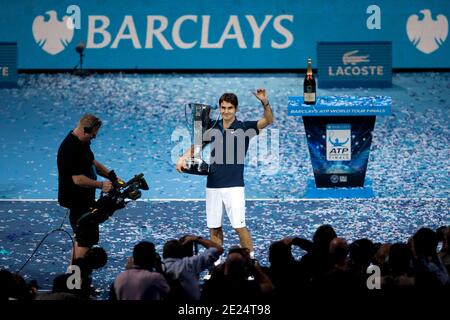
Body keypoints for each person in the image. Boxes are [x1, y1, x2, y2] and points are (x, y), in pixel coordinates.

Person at [176, 90, 274, 259]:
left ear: (235, 109)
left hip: (234, 187)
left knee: (239, 227)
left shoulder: (244, 127)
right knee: (214, 228)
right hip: (213, 185)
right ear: (219, 108)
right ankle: (215, 265)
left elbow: (268, 121)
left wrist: (264, 102)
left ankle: (250, 263)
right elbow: (197, 144)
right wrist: (183, 158)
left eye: (229, 108)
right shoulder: (213, 126)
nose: (226, 111)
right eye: (223, 107)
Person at [57, 114, 117, 261]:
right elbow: (78, 179)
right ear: (85, 130)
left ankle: (73, 278)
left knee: (82, 242)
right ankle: (76, 280)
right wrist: (101, 185)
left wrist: (112, 176)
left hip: (85, 201)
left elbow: (92, 162)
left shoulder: (82, 143)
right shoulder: (70, 148)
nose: (94, 138)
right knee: (85, 242)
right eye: (93, 135)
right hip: (78, 204)